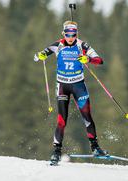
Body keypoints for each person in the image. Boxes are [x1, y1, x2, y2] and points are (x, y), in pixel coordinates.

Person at [34, 21, 108, 164]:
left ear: (76, 33)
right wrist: (40, 56)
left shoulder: (82, 45)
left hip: (78, 85)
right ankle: (56, 152)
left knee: (87, 117)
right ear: (63, 33)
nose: (70, 37)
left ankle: (95, 147)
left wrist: (88, 59)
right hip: (62, 86)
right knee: (62, 120)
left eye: (73, 34)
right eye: (68, 33)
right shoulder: (58, 45)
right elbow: (39, 55)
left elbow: (100, 61)